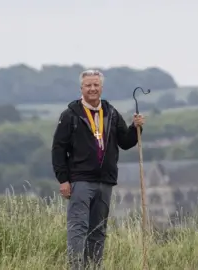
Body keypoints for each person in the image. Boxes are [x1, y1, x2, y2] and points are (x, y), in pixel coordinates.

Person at [51, 69, 145, 269]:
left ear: (101, 87)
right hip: (80, 180)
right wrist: (63, 180)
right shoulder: (70, 115)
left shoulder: (111, 112)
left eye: (96, 85)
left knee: (98, 230)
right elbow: (58, 149)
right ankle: (75, 267)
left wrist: (136, 127)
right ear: (81, 88)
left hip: (105, 181)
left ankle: (94, 267)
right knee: (78, 227)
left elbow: (126, 142)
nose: (92, 89)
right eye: (88, 85)